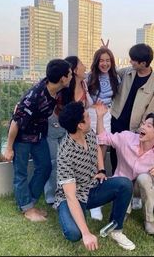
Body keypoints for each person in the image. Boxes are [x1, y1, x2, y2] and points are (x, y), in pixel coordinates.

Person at [53, 101, 135, 251]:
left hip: (92, 187)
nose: (90, 118)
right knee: (74, 233)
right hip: (72, 197)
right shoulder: (65, 153)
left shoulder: (87, 132)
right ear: (80, 125)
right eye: (86, 117)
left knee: (125, 184)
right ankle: (66, 214)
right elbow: (71, 197)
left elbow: (96, 147)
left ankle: (115, 229)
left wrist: (102, 170)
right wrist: (86, 233)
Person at [96, 103, 154, 235]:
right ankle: (124, 211)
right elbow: (103, 138)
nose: (142, 127)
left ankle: (149, 220)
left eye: (148, 126)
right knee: (123, 184)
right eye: (143, 124)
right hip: (122, 185)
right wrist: (100, 117)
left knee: (144, 177)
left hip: (141, 187)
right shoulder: (126, 137)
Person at [3, 59, 72, 222]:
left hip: (38, 135)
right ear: (62, 78)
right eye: (69, 75)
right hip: (22, 138)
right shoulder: (34, 96)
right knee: (20, 173)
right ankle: (27, 209)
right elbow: (15, 121)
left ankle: (30, 203)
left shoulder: (56, 89)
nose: (71, 77)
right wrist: (9, 148)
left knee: (45, 167)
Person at [44, 56, 92, 205]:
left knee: (68, 162)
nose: (85, 67)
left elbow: (101, 71)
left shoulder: (84, 84)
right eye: (82, 64)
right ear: (75, 70)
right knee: (54, 162)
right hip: (54, 126)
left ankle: (68, 193)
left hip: (70, 130)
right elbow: (45, 90)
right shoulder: (62, 86)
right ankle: (52, 196)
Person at [110, 43, 154, 176]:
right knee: (115, 152)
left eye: (133, 60)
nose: (130, 62)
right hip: (116, 120)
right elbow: (111, 71)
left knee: (130, 158)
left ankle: (130, 186)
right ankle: (116, 183)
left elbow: (152, 111)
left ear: (143, 63)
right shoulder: (128, 72)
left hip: (134, 127)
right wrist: (106, 51)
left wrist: (142, 128)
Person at [87, 46, 120, 220]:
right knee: (91, 158)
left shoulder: (117, 78)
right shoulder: (89, 77)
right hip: (90, 117)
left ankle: (97, 200)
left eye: (108, 60)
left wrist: (107, 46)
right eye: (101, 60)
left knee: (101, 155)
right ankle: (91, 200)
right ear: (96, 61)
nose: (105, 63)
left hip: (106, 118)